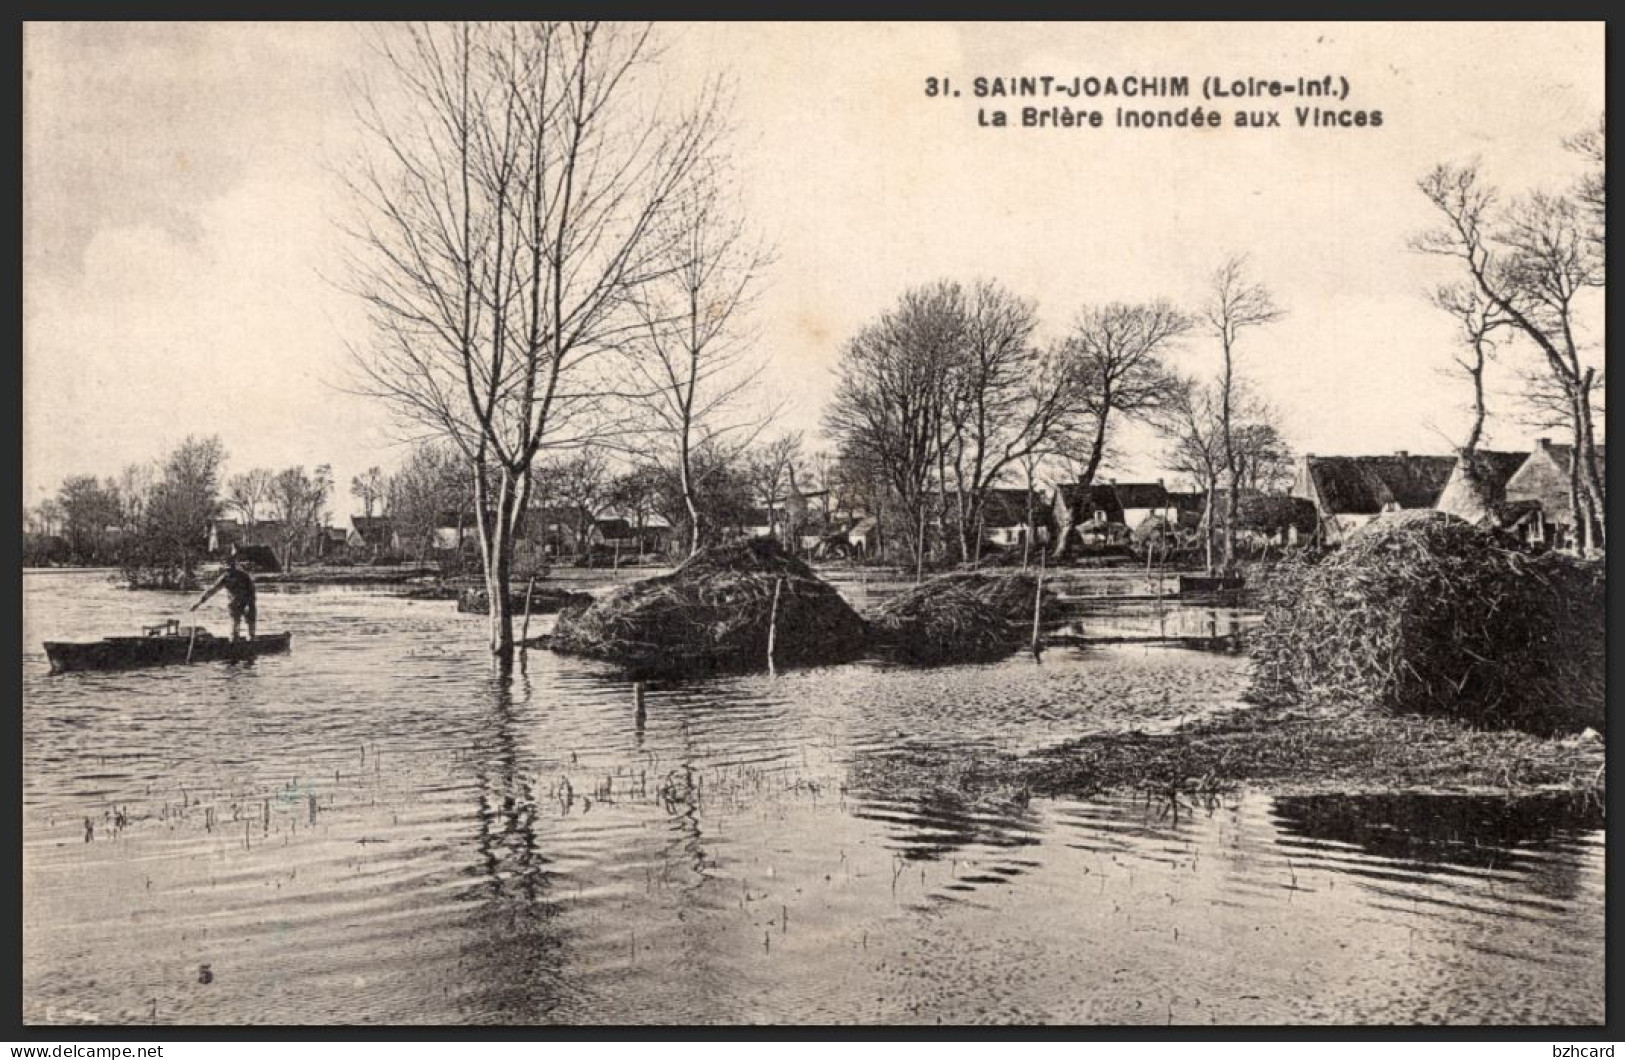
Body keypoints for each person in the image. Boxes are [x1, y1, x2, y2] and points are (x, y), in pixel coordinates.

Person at [192, 550, 257, 641]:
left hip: (247, 602)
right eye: (227, 566)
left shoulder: (244, 576)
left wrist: (249, 604)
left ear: (234, 566)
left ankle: (251, 639)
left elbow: (252, 591)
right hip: (234, 604)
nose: (229, 569)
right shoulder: (225, 577)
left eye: (230, 566)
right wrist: (198, 603)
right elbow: (211, 591)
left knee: (250, 621)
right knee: (235, 625)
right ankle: (234, 640)